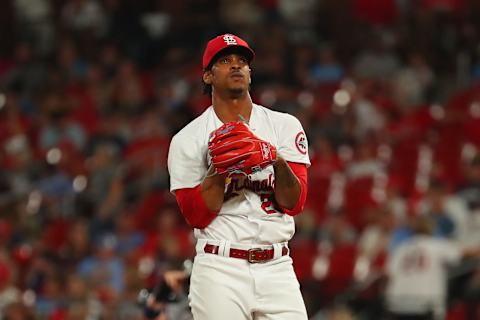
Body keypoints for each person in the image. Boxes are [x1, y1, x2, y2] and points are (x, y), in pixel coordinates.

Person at [167, 33, 310, 320]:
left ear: (250, 73)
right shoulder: (188, 139)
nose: (236, 66)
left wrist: (275, 159)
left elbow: (295, 203)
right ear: (207, 76)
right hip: (220, 268)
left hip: (277, 267)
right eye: (225, 61)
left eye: (241, 61)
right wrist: (219, 172)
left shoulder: (283, 126)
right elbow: (196, 215)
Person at [384, 215, 480, 320]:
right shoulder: (436, 245)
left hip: (398, 303)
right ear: (431, 229)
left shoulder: (401, 248)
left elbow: (389, 273)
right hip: (425, 302)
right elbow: (465, 253)